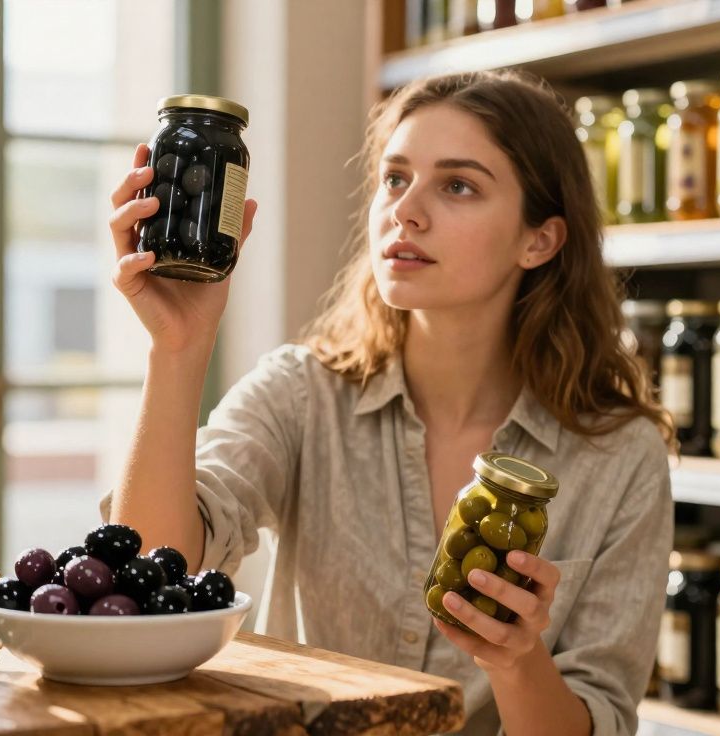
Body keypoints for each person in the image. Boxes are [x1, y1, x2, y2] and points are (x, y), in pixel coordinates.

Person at [102, 70, 673, 736]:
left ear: (538, 239)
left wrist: (518, 661)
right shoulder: (301, 394)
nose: (406, 210)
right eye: (396, 179)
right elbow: (148, 568)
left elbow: (597, 719)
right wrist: (178, 349)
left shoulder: (620, 455)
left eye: (458, 185)